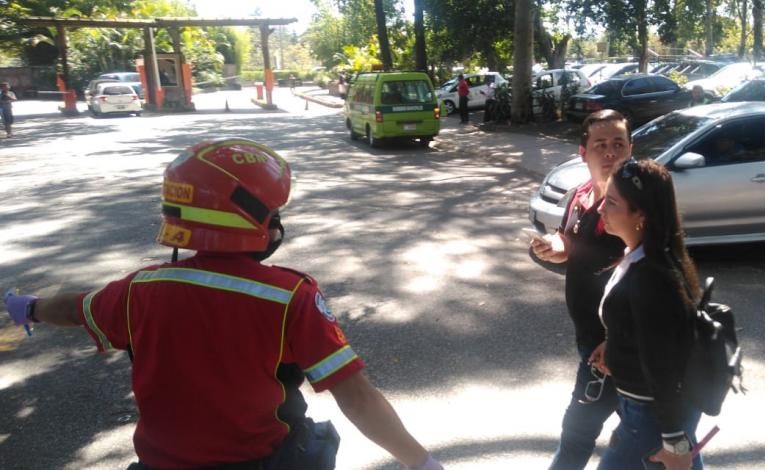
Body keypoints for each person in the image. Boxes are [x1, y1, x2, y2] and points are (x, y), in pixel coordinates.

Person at [3, 139, 443, 470]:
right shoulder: (290, 296)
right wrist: (422, 462)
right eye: (273, 214)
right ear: (252, 219)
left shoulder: (137, 290)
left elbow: (73, 309)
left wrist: (30, 307)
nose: (278, 223)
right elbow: (357, 398)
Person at [532, 110, 631, 470]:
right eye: (600, 145)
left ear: (630, 149)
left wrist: (617, 340)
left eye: (618, 144)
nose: (610, 152)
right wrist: (556, 246)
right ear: (583, 152)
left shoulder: (637, 204)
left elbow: (653, 274)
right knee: (647, 435)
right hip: (591, 339)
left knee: (580, 435)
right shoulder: (580, 194)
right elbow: (570, 240)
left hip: (619, 346)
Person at [592, 158, 704, 470]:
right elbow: (645, 330)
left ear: (640, 213)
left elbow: (662, 365)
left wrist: (675, 442)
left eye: (611, 202)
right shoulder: (642, 257)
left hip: (650, 417)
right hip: (650, 412)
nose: (600, 209)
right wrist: (614, 344)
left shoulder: (652, 277)